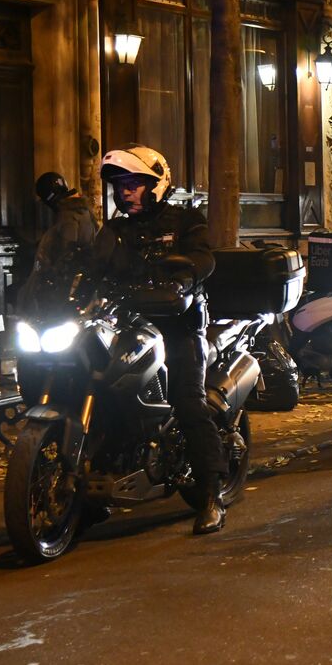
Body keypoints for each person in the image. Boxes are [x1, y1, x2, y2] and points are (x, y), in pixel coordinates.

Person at [91, 146, 226, 534]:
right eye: (120, 186)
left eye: (133, 185)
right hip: (128, 328)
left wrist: (186, 276)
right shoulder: (113, 232)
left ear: (156, 185)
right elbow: (90, 267)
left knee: (188, 403)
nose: (125, 193)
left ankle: (212, 496)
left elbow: (204, 258)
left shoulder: (185, 221)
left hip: (179, 328)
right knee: (100, 389)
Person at [18, 172, 99, 316]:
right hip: (83, 279)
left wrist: (52, 273)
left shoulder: (68, 214)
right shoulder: (83, 211)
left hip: (67, 283)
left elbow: (66, 249)